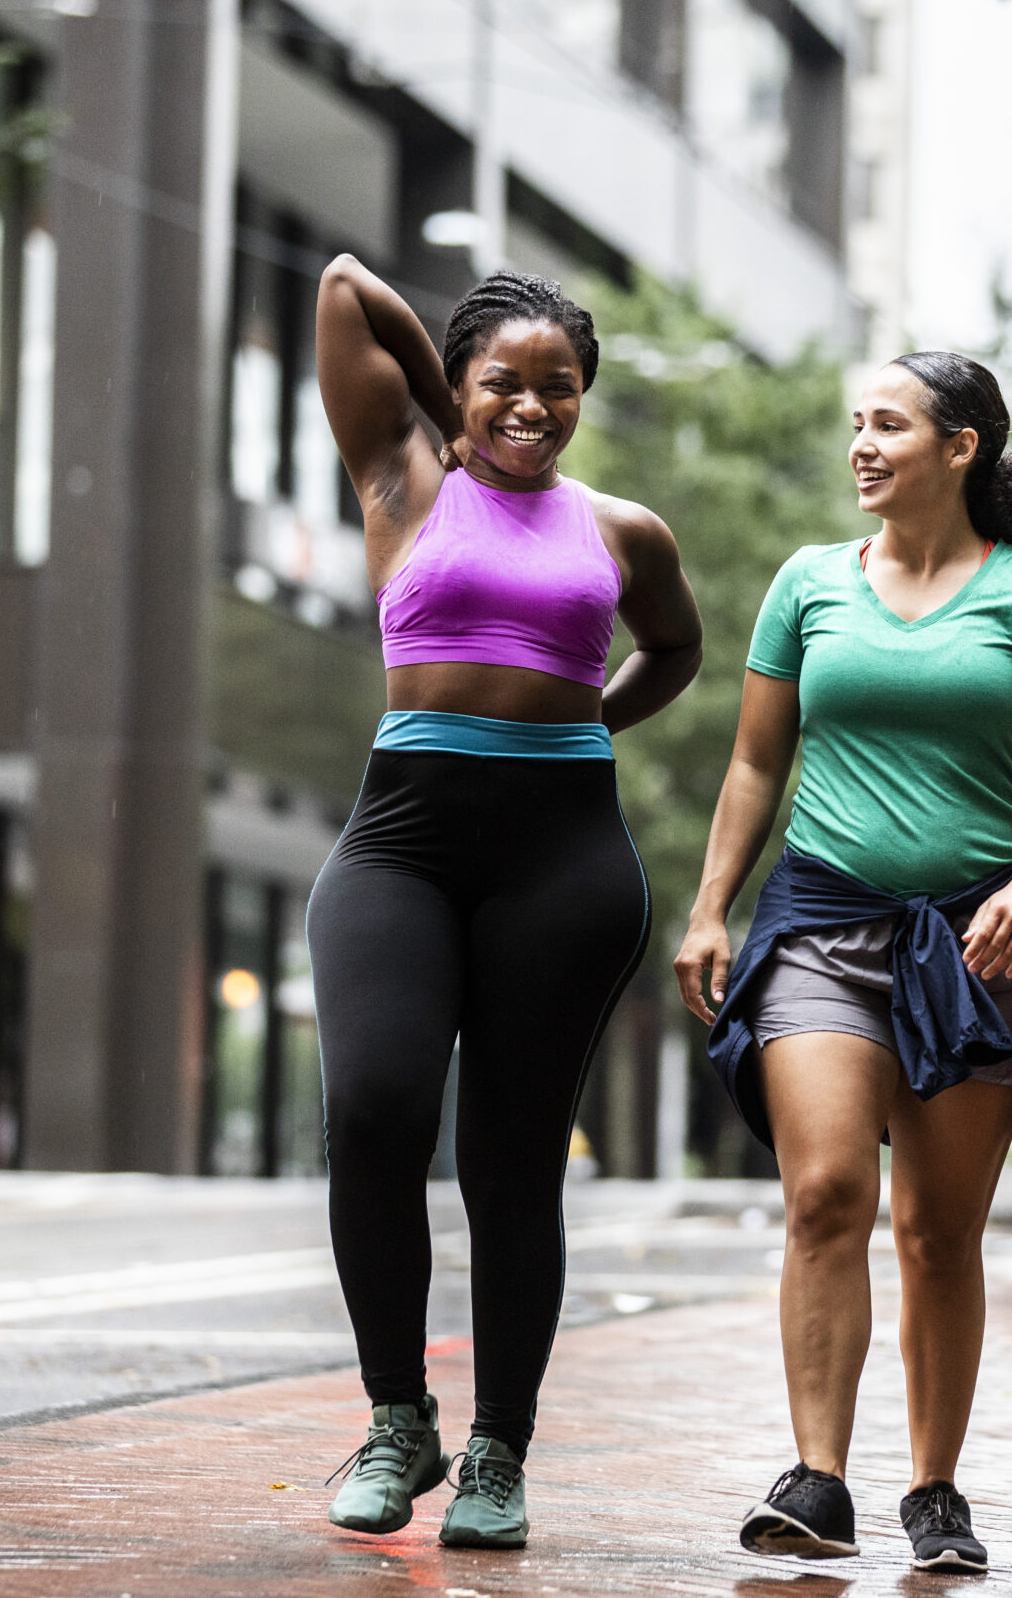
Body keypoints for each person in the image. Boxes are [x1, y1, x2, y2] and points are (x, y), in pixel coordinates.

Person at [674, 352, 1012, 1575]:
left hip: (978, 938)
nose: (862, 445)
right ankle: (816, 1479)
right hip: (820, 919)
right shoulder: (810, 583)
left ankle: (934, 1489)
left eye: (888, 424)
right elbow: (758, 762)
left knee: (937, 1231)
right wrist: (712, 904)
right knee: (824, 1194)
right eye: (854, 424)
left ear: (961, 445)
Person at [305, 259, 702, 1549]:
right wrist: (452, 412)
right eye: (505, 384)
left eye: (558, 387)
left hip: (564, 861)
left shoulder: (623, 529)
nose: (533, 407)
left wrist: (594, 713)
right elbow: (346, 286)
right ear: (461, 387)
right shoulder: (404, 479)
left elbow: (677, 648)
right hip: (401, 846)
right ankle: (396, 1417)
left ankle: (497, 1454)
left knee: (511, 1169)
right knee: (374, 1107)